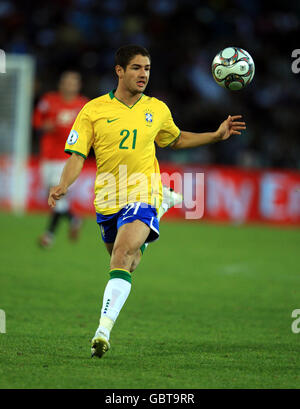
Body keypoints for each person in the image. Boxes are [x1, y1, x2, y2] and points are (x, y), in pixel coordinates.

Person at [48, 45, 246, 358]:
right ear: (119, 71)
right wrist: (63, 184)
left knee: (123, 254)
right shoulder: (93, 110)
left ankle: (103, 330)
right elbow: (77, 155)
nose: (144, 74)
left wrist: (215, 134)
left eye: (148, 69)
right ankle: (163, 209)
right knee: (128, 261)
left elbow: (177, 139)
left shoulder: (157, 109)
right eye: (137, 68)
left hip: (143, 192)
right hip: (107, 198)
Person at [33, 71, 89, 248]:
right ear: (61, 84)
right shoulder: (48, 100)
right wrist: (44, 126)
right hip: (47, 156)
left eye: (73, 82)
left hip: (68, 159)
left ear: (78, 85)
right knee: (51, 196)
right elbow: (36, 121)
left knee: (56, 195)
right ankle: (74, 219)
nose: (69, 85)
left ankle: (48, 236)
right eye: (66, 81)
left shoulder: (84, 105)